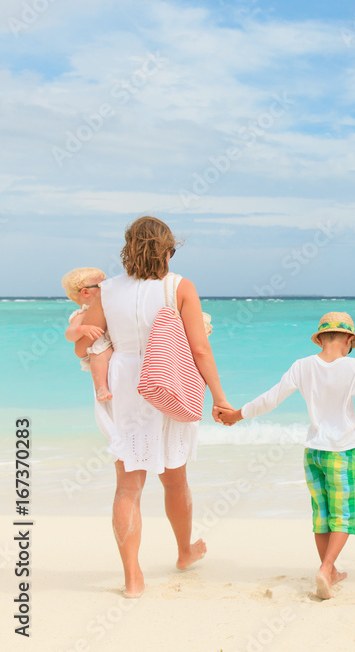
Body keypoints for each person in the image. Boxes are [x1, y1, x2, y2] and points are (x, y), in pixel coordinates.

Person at [76, 216, 229, 598]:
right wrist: (219, 397)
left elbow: (84, 346)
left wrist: (96, 347)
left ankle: (132, 579)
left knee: (128, 486)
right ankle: (183, 551)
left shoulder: (105, 291)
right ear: (168, 250)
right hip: (168, 377)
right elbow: (198, 349)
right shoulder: (180, 287)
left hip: (124, 383)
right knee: (175, 478)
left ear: (128, 248)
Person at [215, 312, 355, 599]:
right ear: (349, 339)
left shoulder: (302, 366)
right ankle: (326, 568)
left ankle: (329, 571)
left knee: (322, 515)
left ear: (321, 337)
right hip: (342, 452)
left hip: (313, 452)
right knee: (343, 516)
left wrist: (238, 415)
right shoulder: (354, 367)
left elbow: (271, 398)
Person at [62, 267, 113, 401]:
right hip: (98, 348)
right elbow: (69, 334)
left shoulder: (107, 305)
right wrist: (82, 329)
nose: (107, 288)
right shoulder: (82, 313)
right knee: (99, 353)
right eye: (102, 285)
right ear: (85, 292)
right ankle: (101, 388)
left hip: (111, 346)